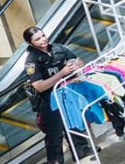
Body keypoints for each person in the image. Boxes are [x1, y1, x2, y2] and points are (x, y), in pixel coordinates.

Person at [23, 26, 89, 164]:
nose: (43, 39)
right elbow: (39, 86)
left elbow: (79, 61)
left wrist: (75, 65)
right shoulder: (32, 60)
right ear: (30, 43)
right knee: (54, 133)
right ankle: (55, 161)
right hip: (48, 101)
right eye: (37, 39)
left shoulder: (58, 48)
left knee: (73, 123)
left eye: (43, 35)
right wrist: (62, 73)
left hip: (66, 94)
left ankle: (82, 150)